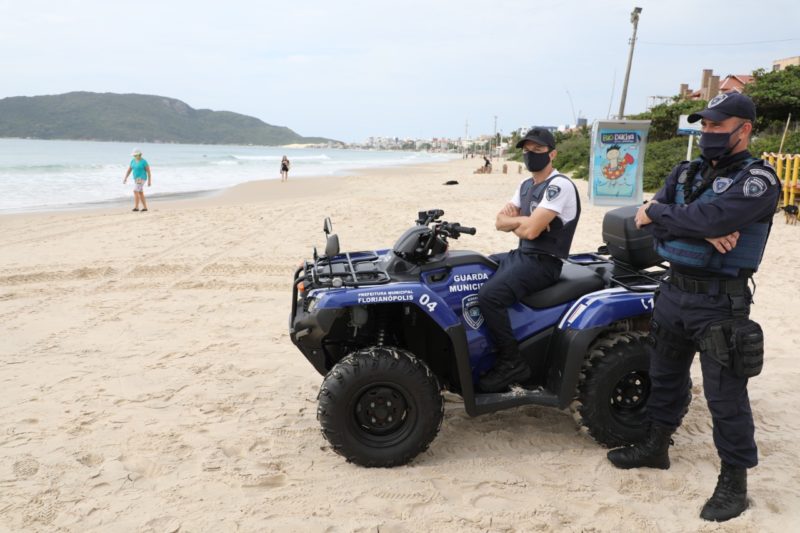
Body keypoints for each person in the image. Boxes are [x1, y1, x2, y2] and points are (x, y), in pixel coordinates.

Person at [606, 92, 780, 522]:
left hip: (720, 302)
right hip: (673, 291)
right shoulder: (686, 172)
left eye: (717, 127)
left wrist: (667, 215)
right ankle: (655, 447)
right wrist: (694, 227)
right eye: (703, 126)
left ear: (744, 130)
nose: (708, 134)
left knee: (726, 397)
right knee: (664, 377)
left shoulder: (758, 180)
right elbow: (648, 231)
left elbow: (702, 219)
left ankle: (734, 482)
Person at [477, 127, 580, 392]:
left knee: (490, 295)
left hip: (544, 262)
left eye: (538, 150)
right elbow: (499, 222)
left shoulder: (560, 186)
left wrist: (522, 224)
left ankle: (512, 361)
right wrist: (522, 221)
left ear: (552, 154)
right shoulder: (525, 185)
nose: (530, 154)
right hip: (522, 254)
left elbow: (532, 231)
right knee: (474, 269)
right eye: (526, 150)